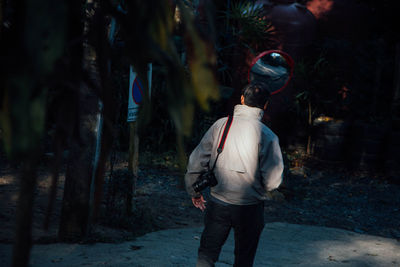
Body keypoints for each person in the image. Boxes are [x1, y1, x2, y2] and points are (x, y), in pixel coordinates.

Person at [185, 82, 284, 267]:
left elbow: (196, 160)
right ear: (265, 105)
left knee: (207, 253)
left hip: (218, 203)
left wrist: (194, 191)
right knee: (244, 258)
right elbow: (273, 182)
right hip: (250, 208)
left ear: (241, 100)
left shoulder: (221, 125)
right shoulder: (268, 136)